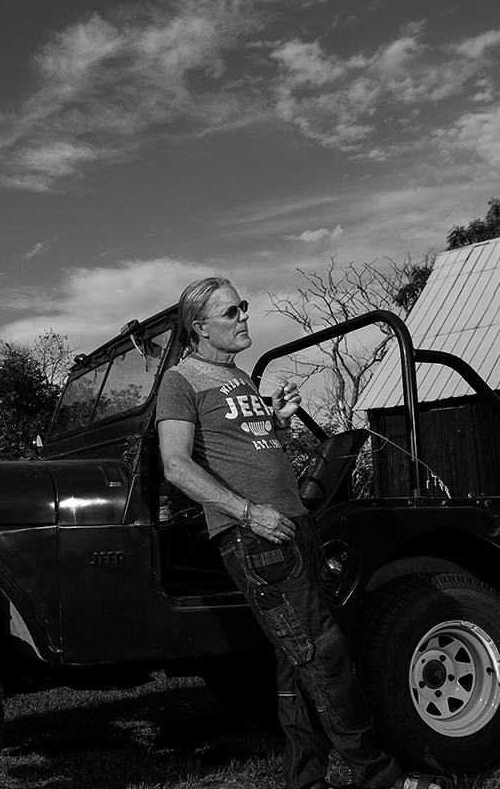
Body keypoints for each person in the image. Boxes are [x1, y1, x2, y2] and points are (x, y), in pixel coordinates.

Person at [156, 276, 451, 789]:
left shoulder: (239, 376)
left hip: (293, 528)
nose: (244, 316)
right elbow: (176, 465)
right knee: (324, 651)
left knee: (295, 662)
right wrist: (249, 514)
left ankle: (306, 780)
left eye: (243, 306)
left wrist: (279, 421)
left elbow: (247, 446)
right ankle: (380, 778)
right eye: (231, 312)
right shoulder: (180, 382)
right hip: (256, 538)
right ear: (200, 327)